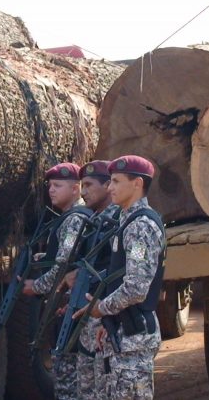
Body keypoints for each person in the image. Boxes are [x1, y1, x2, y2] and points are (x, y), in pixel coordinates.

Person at [74, 155, 166, 400]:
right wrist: (110, 320)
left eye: (116, 181)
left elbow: (137, 287)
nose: (110, 188)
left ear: (137, 184)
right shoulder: (128, 222)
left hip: (134, 335)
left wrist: (101, 308)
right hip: (124, 331)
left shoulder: (140, 226)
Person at [21, 162, 87, 400]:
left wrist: (36, 286)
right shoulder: (70, 217)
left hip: (73, 306)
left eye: (58, 185)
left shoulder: (74, 219)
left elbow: (63, 265)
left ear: (75, 189)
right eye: (50, 185)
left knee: (70, 380)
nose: (51, 190)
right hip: (70, 305)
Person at [75, 160, 120, 400]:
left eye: (89, 185)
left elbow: (120, 270)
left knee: (105, 384)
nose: (83, 192)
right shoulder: (94, 221)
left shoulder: (118, 222)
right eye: (82, 185)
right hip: (90, 309)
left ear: (107, 186)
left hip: (107, 312)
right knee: (90, 385)